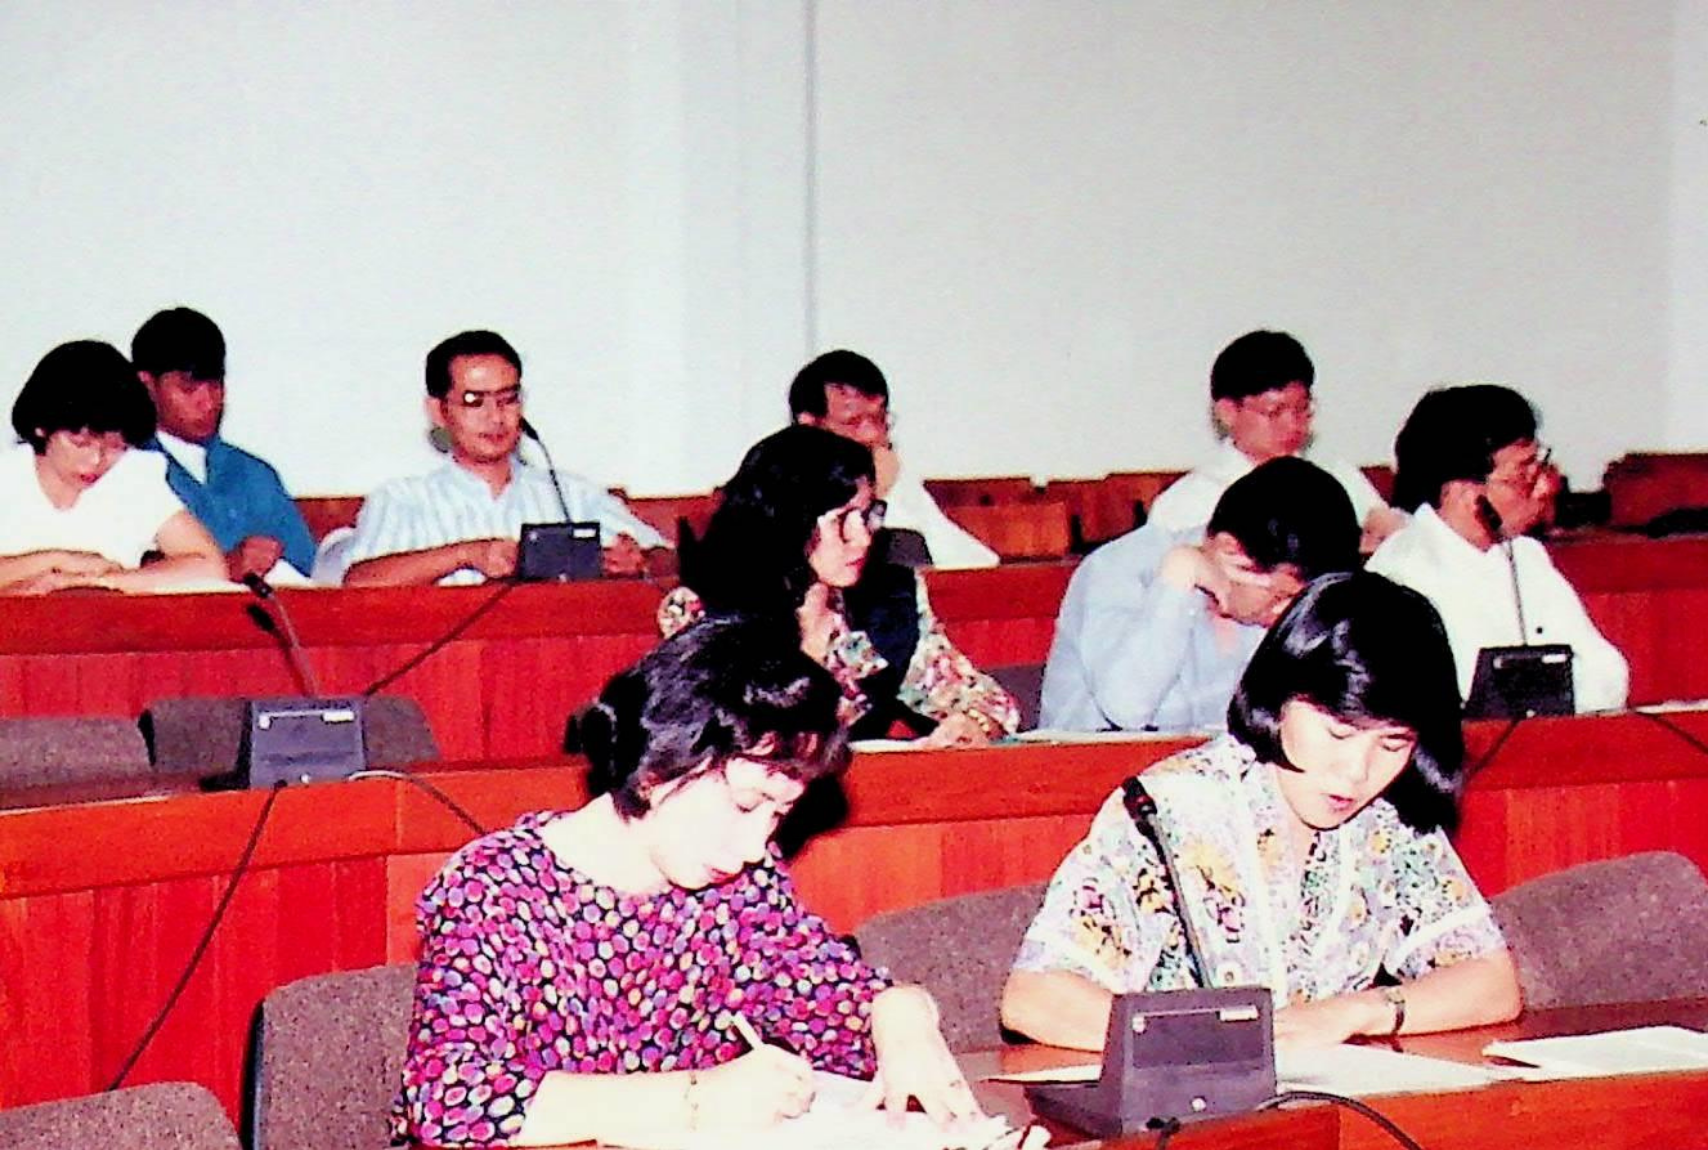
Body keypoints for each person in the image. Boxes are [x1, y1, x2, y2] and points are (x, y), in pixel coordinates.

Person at [392, 617, 980, 1147]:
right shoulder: (496, 888)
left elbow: (832, 1009)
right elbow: (449, 1103)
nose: (754, 846)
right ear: (657, 770)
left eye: (777, 815)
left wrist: (899, 1013)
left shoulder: (740, 887)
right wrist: (697, 1097)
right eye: (745, 805)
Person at [1004, 572, 1522, 1051]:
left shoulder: (1387, 814)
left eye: (1392, 744)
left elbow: (1491, 982)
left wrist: (1355, 1012)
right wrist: (1231, 1042)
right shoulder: (1169, 810)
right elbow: (1035, 998)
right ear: (1280, 696)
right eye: (1338, 733)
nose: (1356, 772)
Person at [659, 424, 1019, 745]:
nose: (863, 538)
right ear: (790, 523)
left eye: (867, 516)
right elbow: (699, 736)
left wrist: (970, 725)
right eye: (842, 520)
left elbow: (986, 702)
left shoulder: (889, 604)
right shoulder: (701, 612)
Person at [1039, 458, 1359, 732]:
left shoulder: (1277, 594)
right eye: (1280, 597)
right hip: (1085, 771)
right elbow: (1127, 709)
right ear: (1230, 551)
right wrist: (1178, 579)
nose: (1287, 615)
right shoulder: (1119, 570)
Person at [1367, 385, 1628, 712]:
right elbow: (1457, 700)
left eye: (1540, 465)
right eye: (1524, 474)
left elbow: (1609, 674)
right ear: (1466, 495)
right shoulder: (1398, 576)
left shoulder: (1526, 556)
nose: (1544, 488)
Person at [339, 330, 668, 586]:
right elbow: (359, 582)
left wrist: (641, 562)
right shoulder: (403, 499)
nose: (495, 417)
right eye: (474, 402)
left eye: (507, 399)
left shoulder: (571, 493)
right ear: (438, 411)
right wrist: (466, 554)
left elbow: (670, 557)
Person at [0, 340, 225, 594]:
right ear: (41, 428)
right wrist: (57, 561)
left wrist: (101, 582)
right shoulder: (7, 475)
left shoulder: (132, 476)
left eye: (116, 447)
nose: (96, 461)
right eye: (80, 444)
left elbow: (209, 565)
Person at [1147, 330, 1404, 551]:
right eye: (1274, 412)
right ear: (1227, 412)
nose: (1293, 424)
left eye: (1302, 409)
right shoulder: (1188, 502)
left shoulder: (1339, 477)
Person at [132, 306, 318, 582]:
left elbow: (314, 576)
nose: (208, 403)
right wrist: (223, 568)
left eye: (216, 385)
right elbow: (114, 576)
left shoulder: (254, 476)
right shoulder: (125, 471)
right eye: (189, 389)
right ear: (147, 385)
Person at [790, 349, 999, 570]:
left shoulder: (886, 474)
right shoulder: (780, 483)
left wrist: (885, 493)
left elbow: (976, 564)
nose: (871, 435)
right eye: (852, 422)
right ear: (809, 425)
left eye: (879, 418)